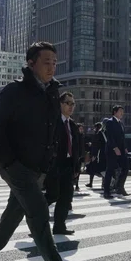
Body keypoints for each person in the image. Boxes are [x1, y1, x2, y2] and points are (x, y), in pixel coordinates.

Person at [0, 41, 90, 261]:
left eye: (55, 63)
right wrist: (5, 160)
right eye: (46, 62)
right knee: (38, 213)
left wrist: (49, 166)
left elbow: (53, 132)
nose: (52, 67)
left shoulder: (51, 92)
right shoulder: (14, 91)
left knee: (11, 218)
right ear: (31, 63)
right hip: (15, 165)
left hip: (37, 167)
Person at [44, 92, 82, 235]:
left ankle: (59, 226)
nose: (71, 106)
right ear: (60, 104)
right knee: (52, 194)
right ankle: (36, 218)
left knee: (66, 196)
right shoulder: (53, 122)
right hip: (54, 164)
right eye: (68, 103)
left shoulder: (72, 124)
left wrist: (77, 166)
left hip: (68, 164)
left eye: (73, 104)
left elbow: (76, 147)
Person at [101, 105, 128, 198]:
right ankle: (106, 191)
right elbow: (110, 137)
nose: (122, 113)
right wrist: (115, 148)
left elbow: (122, 137)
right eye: (120, 111)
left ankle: (120, 187)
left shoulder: (121, 123)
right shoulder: (110, 122)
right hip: (112, 150)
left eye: (122, 111)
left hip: (121, 150)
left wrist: (124, 148)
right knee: (110, 169)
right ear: (115, 112)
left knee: (125, 167)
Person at [87, 122, 105, 189]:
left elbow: (97, 146)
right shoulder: (99, 134)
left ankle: (93, 183)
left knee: (97, 169)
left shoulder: (98, 135)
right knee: (100, 169)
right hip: (98, 154)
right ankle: (101, 184)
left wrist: (94, 155)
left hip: (97, 155)